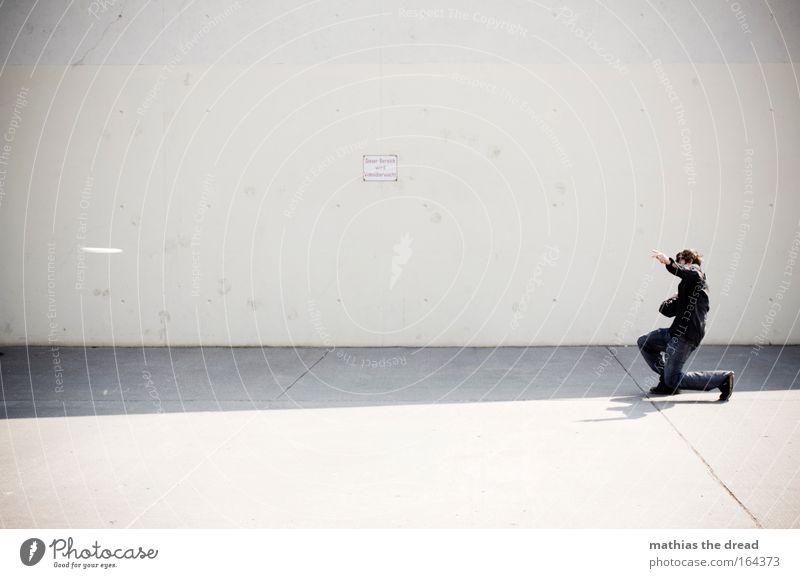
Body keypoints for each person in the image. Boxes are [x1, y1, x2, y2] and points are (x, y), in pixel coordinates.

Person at [637, 248, 734, 401]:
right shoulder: (686, 286)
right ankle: (667, 380)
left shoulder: (697, 276)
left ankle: (722, 378)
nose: (678, 264)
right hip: (673, 333)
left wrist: (669, 262)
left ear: (688, 262)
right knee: (645, 342)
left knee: (674, 379)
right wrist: (675, 297)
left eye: (680, 260)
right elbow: (666, 310)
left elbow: (691, 273)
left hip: (686, 336)